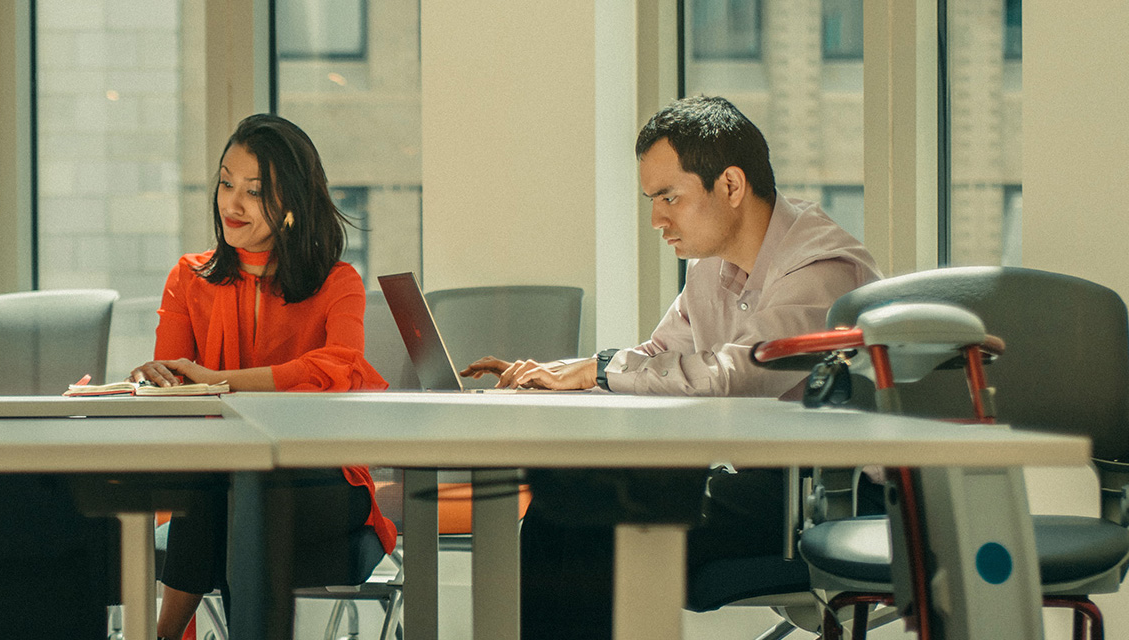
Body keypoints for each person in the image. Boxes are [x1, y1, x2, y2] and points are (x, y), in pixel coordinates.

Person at [460, 96, 883, 637]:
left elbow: (738, 377)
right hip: (768, 485)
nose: (657, 219)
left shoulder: (819, 269)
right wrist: (568, 374)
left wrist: (600, 370)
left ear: (730, 186)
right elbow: (662, 358)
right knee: (555, 512)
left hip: (838, 497)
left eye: (669, 197)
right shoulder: (712, 268)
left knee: (594, 526)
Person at [134, 113, 396, 640]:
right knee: (227, 485)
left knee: (237, 494)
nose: (231, 203)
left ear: (294, 202)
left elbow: (339, 368)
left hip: (322, 480)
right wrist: (160, 378)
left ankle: (160, 636)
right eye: (226, 183)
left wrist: (220, 380)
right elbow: (180, 391)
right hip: (218, 478)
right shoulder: (188, 278)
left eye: (253, 192)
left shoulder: (337, 283)